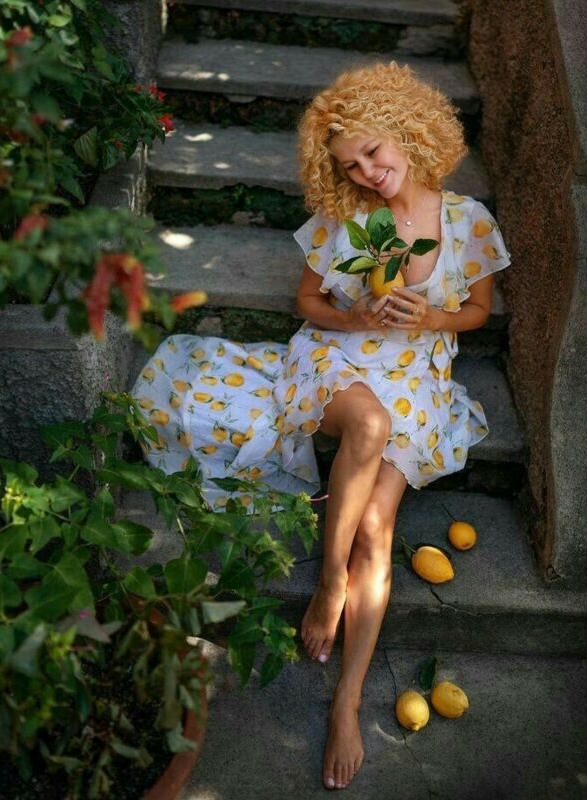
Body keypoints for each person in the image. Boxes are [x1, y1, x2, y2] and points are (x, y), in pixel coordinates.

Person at [131, 61, 511, 791]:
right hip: (338, 357)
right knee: (366, 424)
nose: (366, 172)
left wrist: (431, 317)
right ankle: (330, 581)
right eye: (349, 165)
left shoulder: (468, 222)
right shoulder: (348, 219)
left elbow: (477, 313)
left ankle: (347, 702)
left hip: (419, 373)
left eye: (372, 152)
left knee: (378, 525)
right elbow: (307, 304)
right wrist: (356, 313)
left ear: (406, 129)